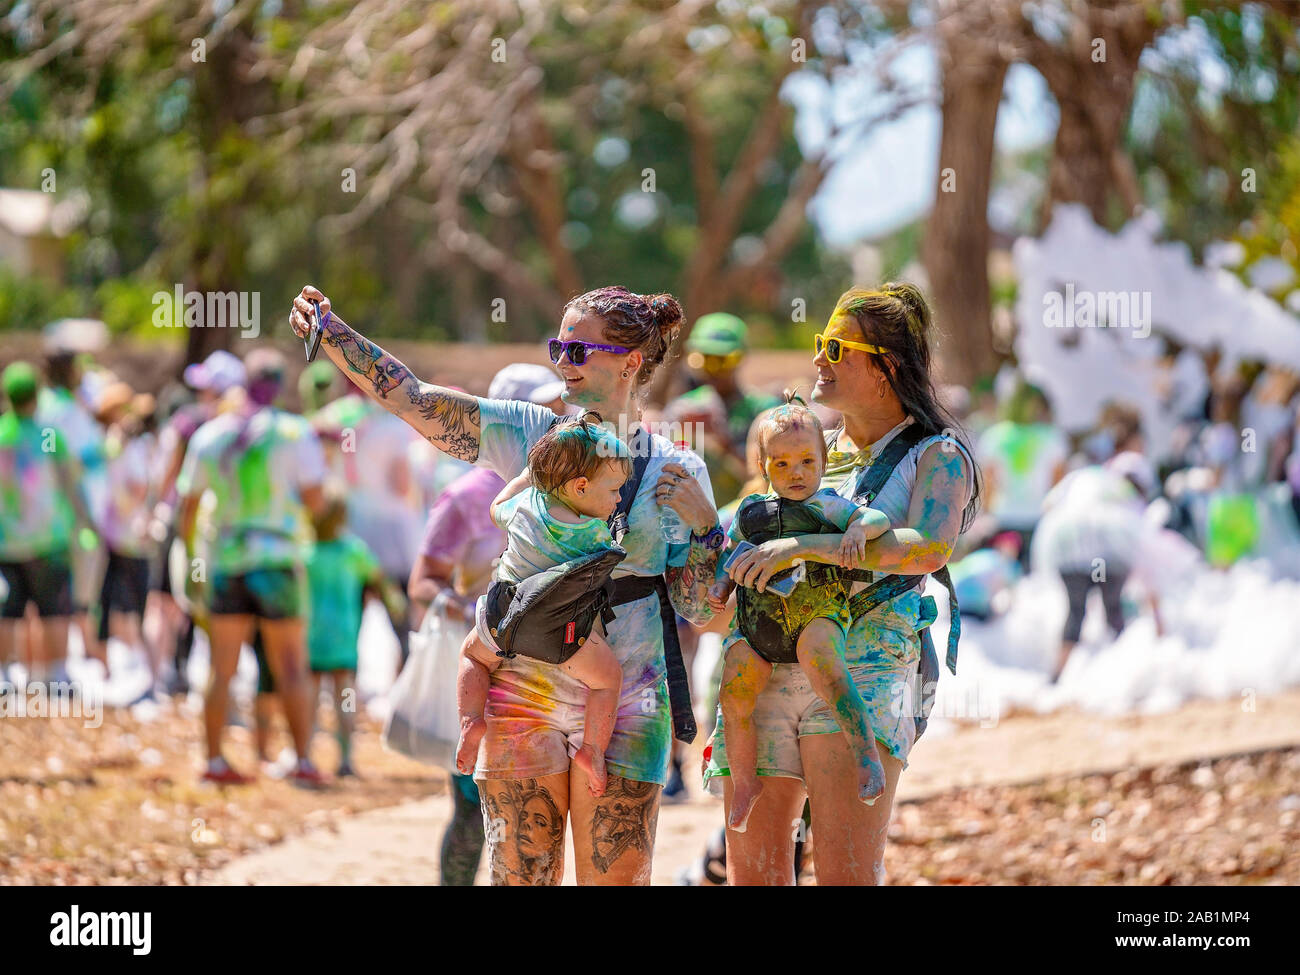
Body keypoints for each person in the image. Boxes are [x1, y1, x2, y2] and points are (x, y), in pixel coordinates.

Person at [291, 283, 722, 885]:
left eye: (578, 349)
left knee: (616, 881)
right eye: (558, 347)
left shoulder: (680, 470)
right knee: (522, 876)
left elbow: (698, 605)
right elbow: (415, 400)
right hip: (523, 687)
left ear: (629, 363)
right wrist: (334, 334)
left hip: (628, 697)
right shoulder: (529, 433)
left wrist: (707, 530)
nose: (561, 362)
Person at [703, 283, 980, 885]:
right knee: (753, 875)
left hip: (866, 669)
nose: (818, 359)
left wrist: (805, 546)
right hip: (768, 664)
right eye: (819, 343)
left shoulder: (937, 454)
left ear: (887, 368)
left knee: (846, 873)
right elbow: (743, 528)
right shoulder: (806, 449)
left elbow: (929, 548)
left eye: (835, 346)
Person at [707, 394, 891, 830]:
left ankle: (866, 754)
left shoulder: (827, 505)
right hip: (759, 624)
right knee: (733, 691)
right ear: (763, 465)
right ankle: (746, 781)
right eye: (782, 464)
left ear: (824, 463)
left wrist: (858, 531)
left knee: (825, 665)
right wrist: (720, 585)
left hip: (816, 614)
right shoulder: (749, 511)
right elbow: (733, 552)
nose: (796, 473)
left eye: (807, 462)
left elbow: (878, 519)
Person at [456, 414, 631, 797]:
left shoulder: (524, 508)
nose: (619, 499)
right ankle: (593, 751)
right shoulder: (593, 532)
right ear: (581, 487)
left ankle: (471, 720)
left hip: (501, 619)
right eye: (615, 490)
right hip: (559, 635)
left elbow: (496, 506)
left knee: (472, 657)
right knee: (607, 681)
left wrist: (527, 478)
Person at [176, 348, 328, 786]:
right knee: (292, 664)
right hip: (278, 561)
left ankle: (213, 761)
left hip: (226, 560)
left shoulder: (211, 434)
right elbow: (317, 503)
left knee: (220, 666)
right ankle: (301, 760)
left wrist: (193, 559)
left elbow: (187, 507)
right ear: (279, 386)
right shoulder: (295, 433)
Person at [0, 362, 94, 684]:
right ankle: (57, 676)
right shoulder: (49, 437)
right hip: (50, 539)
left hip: (7, 541)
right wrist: (86, 521)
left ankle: (4, 675)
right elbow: (70, 482)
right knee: (54, 609)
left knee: (8, 610)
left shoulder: (1, 434)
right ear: (36, 395)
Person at [305, 490, 404, 777]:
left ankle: (306, 755)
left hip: (311, 639)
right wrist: (394, 605)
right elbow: (379, 580)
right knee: (345, 698)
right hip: (344, 640)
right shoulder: (352, 551)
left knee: (310, 698)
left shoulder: (305, 552)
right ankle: (346, 759)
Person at [94, 383, 163, 691]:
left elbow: (135, 488)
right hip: (125, 536)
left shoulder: (122, 447)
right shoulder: (128, 447)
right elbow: (139, 487)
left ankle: (137, 670)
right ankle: (144, 670)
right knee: (129, 601)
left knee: (118, 600)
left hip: (121, 535)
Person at [683, 312, 781, 455]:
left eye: (723, 361)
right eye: (704, 360)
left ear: (741, 358)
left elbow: (772, 472)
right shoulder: (683, 409)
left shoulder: (765, 411)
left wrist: (724, 445)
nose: (713, 370)